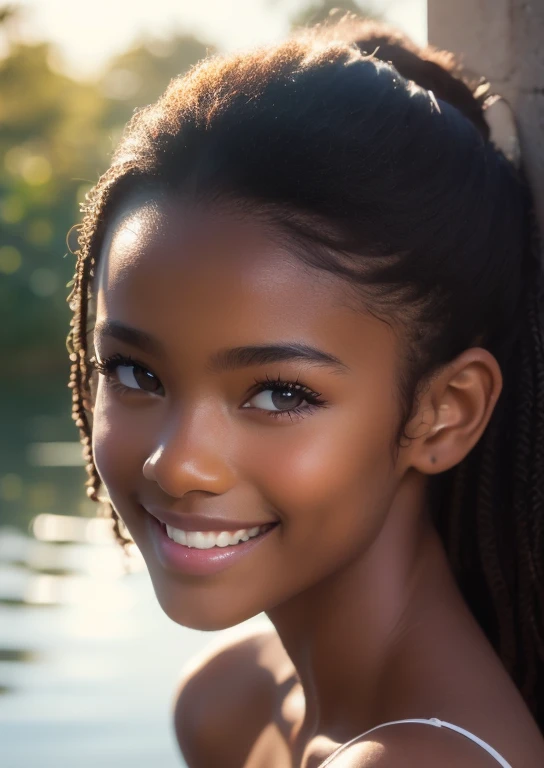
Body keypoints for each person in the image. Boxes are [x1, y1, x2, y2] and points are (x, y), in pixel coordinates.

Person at [66, 16, 544, 767]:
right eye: (135, 373)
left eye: (281, 394)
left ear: (444, 413)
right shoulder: (227, 702)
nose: (177, 464)